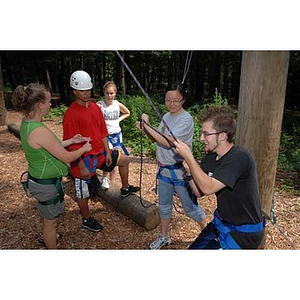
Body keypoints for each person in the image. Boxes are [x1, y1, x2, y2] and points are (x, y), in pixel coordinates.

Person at [11, 83, 92, 249]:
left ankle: (49, 236)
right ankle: (50, 244)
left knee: (47, 217)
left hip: (39, 181)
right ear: (40, 105)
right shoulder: (38, 129)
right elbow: (66, 156)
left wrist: (72, 141)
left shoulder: (27, 123)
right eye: (48, 101)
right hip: (46, 185)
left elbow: (49, 146)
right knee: (51, 223)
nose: (50, 104)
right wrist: (84, 148)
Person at [174, 105, 265, 249]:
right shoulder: (209, 158)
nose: (201, 138)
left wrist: (190, 159)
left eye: (206, 134)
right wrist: (189, 172)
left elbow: (209, 188)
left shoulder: (239, 157)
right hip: (221, 223)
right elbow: (199, 192)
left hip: (243, 234)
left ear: (223, 136)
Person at [63, 70, 139, 232]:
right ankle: (86, 219)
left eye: (88, 90)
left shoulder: (94, 108)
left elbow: (103, 131)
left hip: (100, 154)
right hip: (82, 159)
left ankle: (125, 188)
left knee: (124, 159)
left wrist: (106, 151)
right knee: (83, 193)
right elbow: (71, 145)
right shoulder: (71, 114)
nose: (86, 93)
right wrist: (81, 166)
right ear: (74, 91)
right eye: (82, 90)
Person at [137, 82, 207, 250]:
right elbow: (156, 139)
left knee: (190, 208)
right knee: (164, 205)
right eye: (168, 100)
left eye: (176, 100)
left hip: (181, 170)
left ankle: (208, 233)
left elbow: (168, 142)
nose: (172, 104)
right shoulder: (167, 116)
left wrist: (147, 124)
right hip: (164, 169)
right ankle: (164, 236)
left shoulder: (186, 119)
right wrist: (145, 127)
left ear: (183, 100)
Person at [97, 81, 130, 190]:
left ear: (115, 93)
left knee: (118, 158)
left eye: (112, 93)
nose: (109, 95)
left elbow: (127, 112)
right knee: (109, 157)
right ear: (104, 93)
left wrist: (119, 119)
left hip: (117, 135)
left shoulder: (117, 104)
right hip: (105, 136)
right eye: (107, 93)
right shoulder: (100, 105)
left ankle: (112, 181)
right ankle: (105, 178)